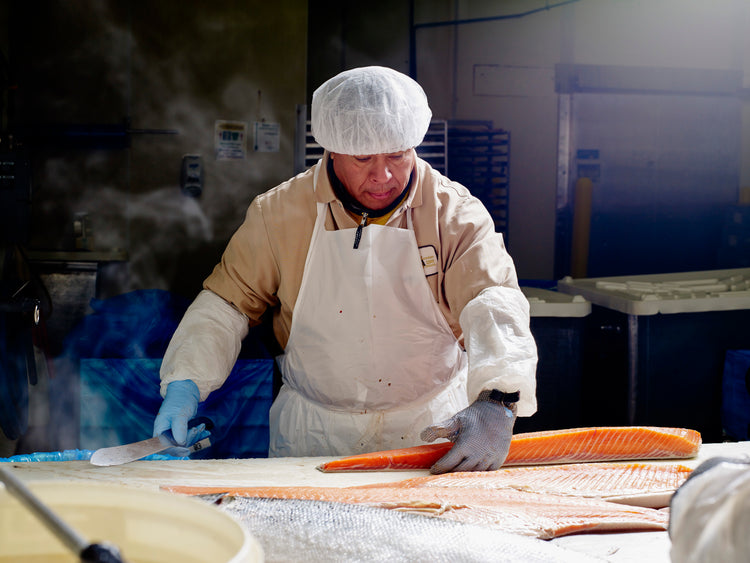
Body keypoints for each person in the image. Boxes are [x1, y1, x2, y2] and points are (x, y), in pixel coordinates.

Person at [153, 66, 537, 474]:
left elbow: (491, 302)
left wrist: (498, 399)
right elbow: (226, 305)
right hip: (314, 434)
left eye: (397, 155)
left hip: (430, 431)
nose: (383, 175)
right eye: (363, 158)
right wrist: (185, 384)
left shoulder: (453, 213)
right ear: (332, 150)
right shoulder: (279, 213)